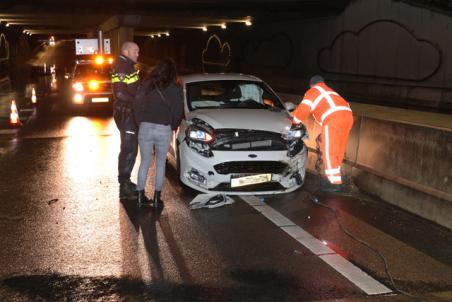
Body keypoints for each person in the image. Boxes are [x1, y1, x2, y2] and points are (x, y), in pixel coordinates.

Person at [133, 58, 184, 208]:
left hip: (146, 127)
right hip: (163, 128)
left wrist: (140, 121)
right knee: (161, 163)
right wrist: (173, 125)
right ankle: (157, 198)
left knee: (145, 162)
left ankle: (140, 195)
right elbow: (178, 110)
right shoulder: (174, 88)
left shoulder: (146, 84)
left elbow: (136, 103)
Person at [292, 75, 353, 190]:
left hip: (333, 119)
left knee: (329, 151)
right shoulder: (330, 91)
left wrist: (294, 122)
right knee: (338, 149)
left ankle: (333, 183)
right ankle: (336, 177)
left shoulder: (312, 91)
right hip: (348, 117)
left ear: (311, 85)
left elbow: (303, 110)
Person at [111, 41, 140, 199]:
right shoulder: (123, 67)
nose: (137, 54)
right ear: (127, 51)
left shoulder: (127, 66)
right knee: (128, 149)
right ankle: (124, 185)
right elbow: (120, 93)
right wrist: (138, 101)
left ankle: (126, 182)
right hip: (126, 114)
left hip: (128, 113)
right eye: (136, 51)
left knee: (131, 149)